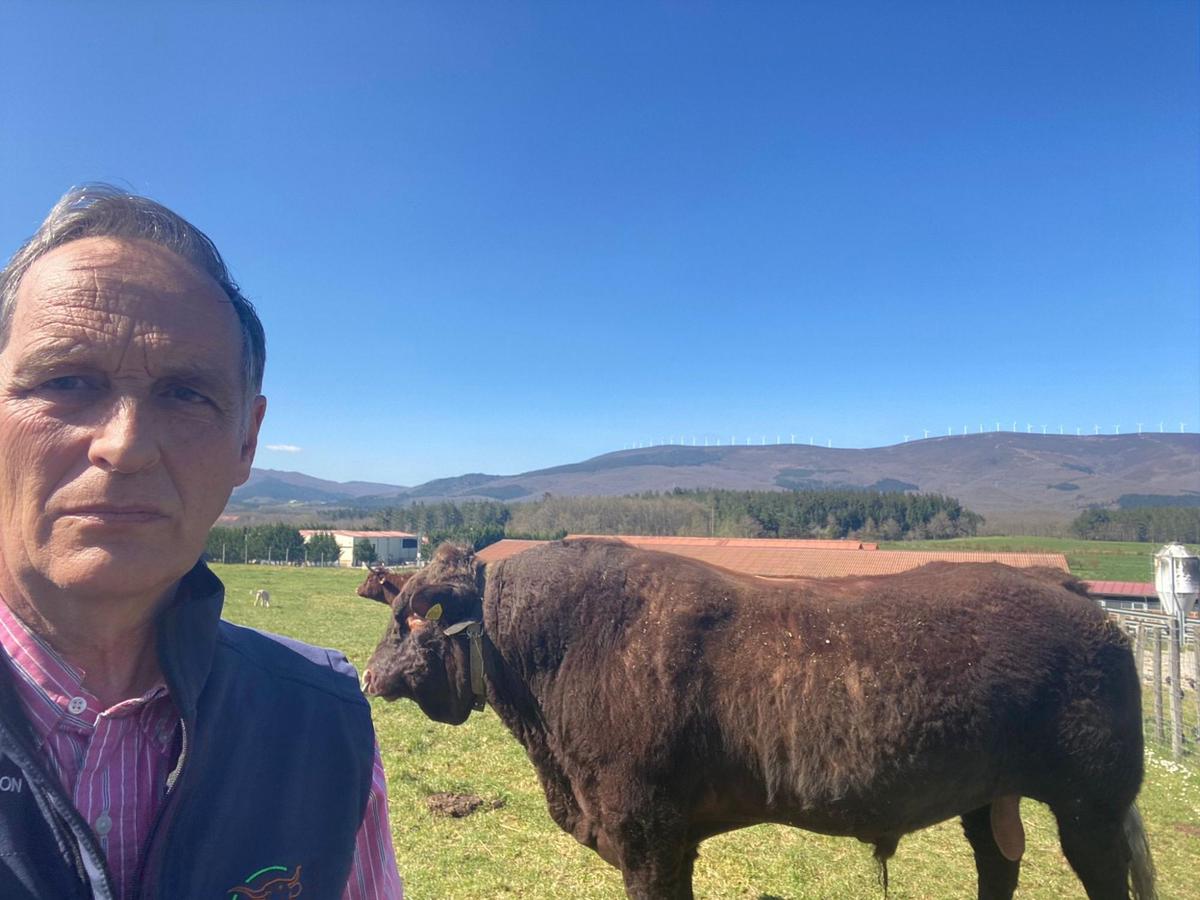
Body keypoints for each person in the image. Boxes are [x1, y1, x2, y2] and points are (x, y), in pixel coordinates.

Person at [0, 185, 402, 899]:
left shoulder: (321, 725)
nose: (125, 447)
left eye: (185, 394)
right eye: (67, 380)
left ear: (246, 440)